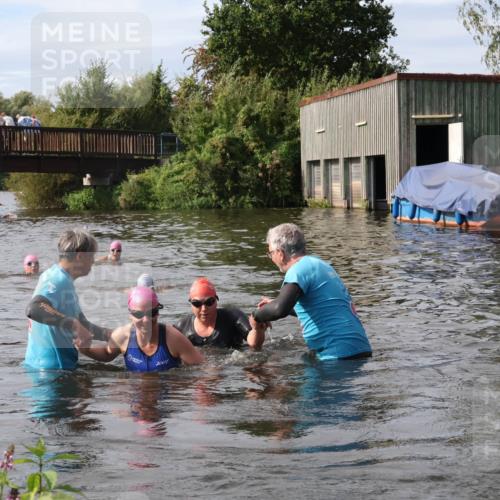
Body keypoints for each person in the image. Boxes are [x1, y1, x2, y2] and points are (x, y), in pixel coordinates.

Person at [251, 223, 372, 361]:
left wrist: (256, 316)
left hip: (336, 355)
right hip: (360, 349)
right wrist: (272, 304)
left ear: (280, 253)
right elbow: (318, 309)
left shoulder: (298, 269)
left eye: (271, 253)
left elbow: (279, 309)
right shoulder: (320, 265)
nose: (271, 258)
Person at [25, 229, 112, 370]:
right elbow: (34, 308)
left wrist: (108, 334)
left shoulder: (63, 279)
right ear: (80, 256)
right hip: (51, 373)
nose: (93, 261)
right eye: (92, 256)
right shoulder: (57, 280)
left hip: (54, 367)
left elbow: (83, 323)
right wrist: (74, 325)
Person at [79, 286, 204, 372]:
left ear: (158, 312)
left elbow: (201, 368)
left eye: (152, 313)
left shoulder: (173, 339)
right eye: (138, 315)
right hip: (135, 397)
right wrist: (86, 350)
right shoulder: (123, 336)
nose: (146, 320)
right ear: (130, 315)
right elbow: (107, 354)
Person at [174, 277, 266, 349]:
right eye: (197, 303)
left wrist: (257, 328)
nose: (204, 309)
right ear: (191, 304)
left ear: (216, 300)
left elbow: (254, 343)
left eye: (209, 302)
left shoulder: (232, 317)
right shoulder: (181, 327)